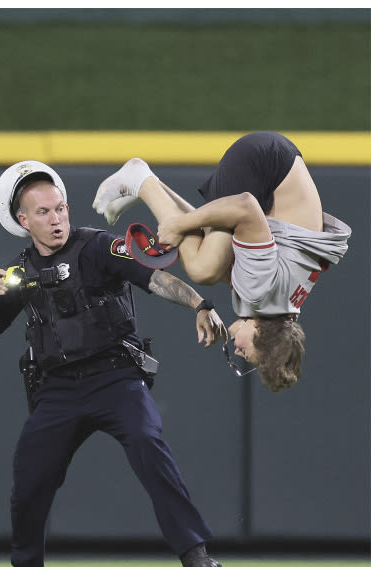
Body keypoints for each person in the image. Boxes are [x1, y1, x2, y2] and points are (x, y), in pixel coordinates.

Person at [0, 160, 225, 567]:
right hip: (57, 392)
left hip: (115, 379)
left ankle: (196, 554)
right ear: (23, 220)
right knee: (29, 472)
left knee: (149, 444)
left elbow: (154, 278)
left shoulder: (96, 247)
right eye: (44, 213)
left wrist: (200, 304)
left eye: (60, 208)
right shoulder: (19, 273)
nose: (57, 219)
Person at [91, 131, 351, 392]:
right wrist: (178, 225)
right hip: (263, 165)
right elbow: (245, 206)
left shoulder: (282, 309)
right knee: (204, 269)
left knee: (219, 263)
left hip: (276, 163)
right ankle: (141, 181)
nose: (239, 352)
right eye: (249, 355)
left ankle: (150, 185)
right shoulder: (260, 293)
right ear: (260, 333)